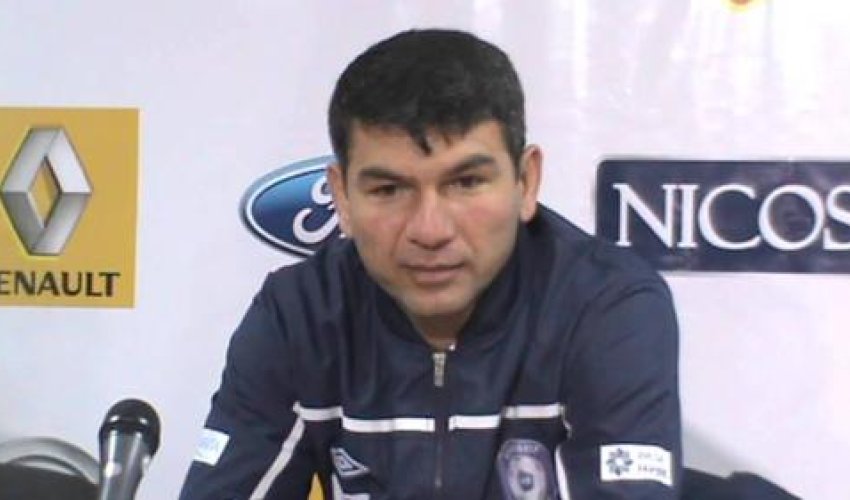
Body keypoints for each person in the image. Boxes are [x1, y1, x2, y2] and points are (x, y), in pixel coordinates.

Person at [179, 28, 681, 499]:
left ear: (526, 182)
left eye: (466, 183)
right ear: (342, 198)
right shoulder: (300, 314)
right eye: (388, 189)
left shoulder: (606, 306)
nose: (430, 229)